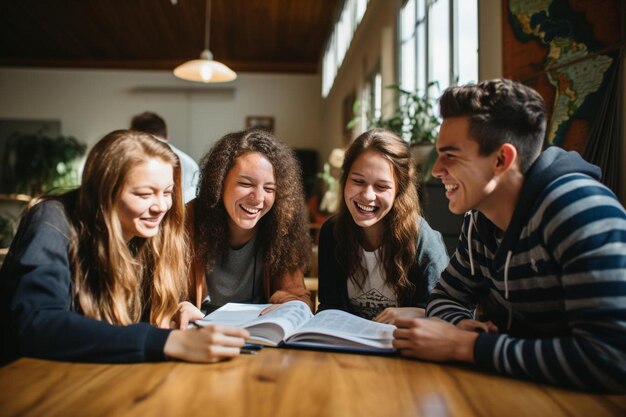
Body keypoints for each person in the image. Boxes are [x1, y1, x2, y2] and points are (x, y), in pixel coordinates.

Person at [392, 79, 626, 392]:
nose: (436, 170)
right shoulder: (480, 220)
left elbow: (612, 358)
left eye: (450, 155)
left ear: (502, 160)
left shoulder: (580, 209)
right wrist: (461, 324)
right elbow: (446, 296)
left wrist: (466, 347)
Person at [0, 130, 248, 364]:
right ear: (104, 192)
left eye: (168, 192)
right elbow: (38, 324)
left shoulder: (149, 232)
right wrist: (166, 341)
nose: (161, 206)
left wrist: (177, 309)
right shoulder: (53, 219)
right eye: (143, 194)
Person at [317, 128, 449, 321]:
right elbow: (330, 306)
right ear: (345, 180)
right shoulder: (332, 232)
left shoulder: (422, 238)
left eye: (381, 186)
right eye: (358, 181)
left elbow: (444, 315)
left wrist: (415, 313)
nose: (367, 196)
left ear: (399, 190)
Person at [186, 128, 312, 315]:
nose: (259, 198)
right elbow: (168, 295)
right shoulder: (187, 220)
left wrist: (289, 306)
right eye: (246, 184)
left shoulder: (282, 227)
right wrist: (178, 307)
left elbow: (299, 297)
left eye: (269, 189)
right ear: (218, 183)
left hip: (259, 334)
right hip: (200, 332)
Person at [131, 111, 200, 203]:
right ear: (167, 136)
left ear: (134, 135)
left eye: (167, 192)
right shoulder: (190, 163)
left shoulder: (134, 157)